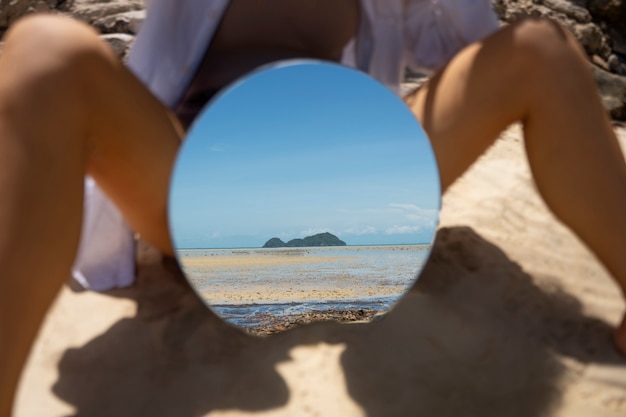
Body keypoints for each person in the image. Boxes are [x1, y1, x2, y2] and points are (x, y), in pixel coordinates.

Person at [1, 0, 626, 415]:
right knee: (46, 50)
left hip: (352, 185)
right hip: (204, 189)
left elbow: (475, 46)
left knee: (539, 47)